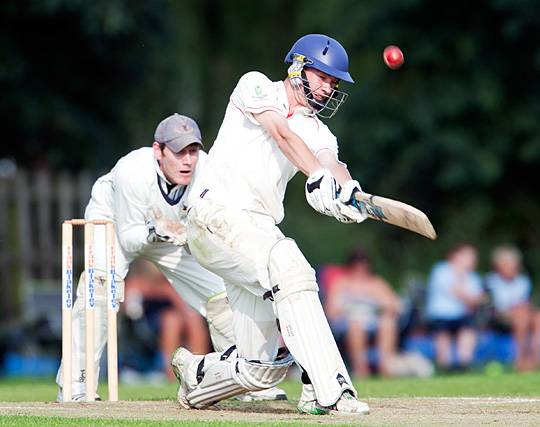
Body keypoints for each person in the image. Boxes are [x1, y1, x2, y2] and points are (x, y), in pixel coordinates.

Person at [171, 34, 371, 415]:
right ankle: (329, 391)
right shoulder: (256, 85)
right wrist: (314, 173)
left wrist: (349, 191)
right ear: (297, 68)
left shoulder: (319, 131)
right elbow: (282, 134)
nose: (329, 89)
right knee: (290, 263)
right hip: (216, 215)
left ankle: (196, 375)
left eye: (334, 83)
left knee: (260, 368)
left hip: (254, 234)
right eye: (324, 78)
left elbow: (331, 163)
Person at [55, 113, 277, 401]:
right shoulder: (133, 170)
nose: (187, 160)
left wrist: (191, 235)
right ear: (158, 151)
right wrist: (154, 229)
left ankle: (243, 382)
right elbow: (129, 240)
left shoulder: (206, 170)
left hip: (172, 233)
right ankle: (77, 385)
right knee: (98, 291)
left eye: (193, 151)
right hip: (115, 224)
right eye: (179, 152)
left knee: (223, 294)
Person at [123, 260, 210, 380]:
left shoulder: (172, 285)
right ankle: (172, 375)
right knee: (171, 320)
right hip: (148, 327)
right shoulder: (135, 284)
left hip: (179, 322)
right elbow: (130, 311)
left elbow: (185, 309)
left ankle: (200, 371)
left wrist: (168, 293)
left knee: (194, 320)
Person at [325, 249, 402, 377]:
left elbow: (395, 306)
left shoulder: (376, 283)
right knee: (356, 324)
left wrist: (378, 298)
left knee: (387, 322)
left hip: (373, 321)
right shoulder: (340, 283)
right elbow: (331, 311)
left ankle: (386, 365)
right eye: (356, 266)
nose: (360, 270)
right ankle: (361, 368)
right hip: (347, 322)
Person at [485, 245, 540, 371]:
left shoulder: (523, 281)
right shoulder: (490, 281)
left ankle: (536, 358)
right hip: (499, 318)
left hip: (522, 313)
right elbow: (490, 307)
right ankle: (521, 360)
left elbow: (527, 302)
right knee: (521, 317)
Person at [425, 244, 484, 371]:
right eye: (469, 256)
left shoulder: (473, 277)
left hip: (462, 315)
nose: (473, 259)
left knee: (468, 329)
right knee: (442, 333)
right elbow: (461, 294)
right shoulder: (441, 270)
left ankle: (464, 365)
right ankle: (445, 367)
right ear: (456, 256)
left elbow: (476, 300)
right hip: (440, 315)